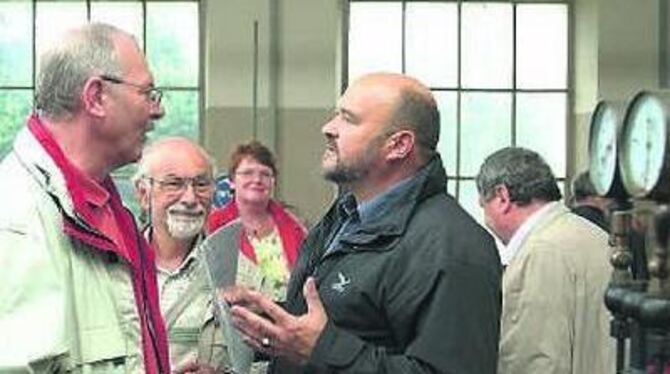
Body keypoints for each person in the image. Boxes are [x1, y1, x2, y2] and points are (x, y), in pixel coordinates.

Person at [222, 72, 502, 373]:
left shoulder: (453, 249)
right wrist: (268, 318)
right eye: (335, 115)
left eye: (349, 119)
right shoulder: (344, 218)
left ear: (398, 145)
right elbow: (347, 319)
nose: (328, 128)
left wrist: (323, 350)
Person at [0, 23, 169, 372]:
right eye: (147, 93)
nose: (157, 111)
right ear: (95, 97)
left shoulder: (100, 205)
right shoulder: (18, 218)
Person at [476, 147, 614, 374]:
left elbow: (537, 363)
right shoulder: (597, 237)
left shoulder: (538, 253)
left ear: (502, 197)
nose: (485, 219)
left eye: (484, 206)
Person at [134, 137, 233, 373]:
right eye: (173, 184)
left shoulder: (237, 274)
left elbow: (266, 363)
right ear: (143, 194)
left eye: (201, 184)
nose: (189, 198)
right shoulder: (113, 271)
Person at [206, 140, 307, 302]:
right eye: (247, 173)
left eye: (265, 174)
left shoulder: (295, 227)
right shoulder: (213, 227)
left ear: (273, 181)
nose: (257, 180)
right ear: (231, 182)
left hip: (286, 318)